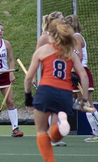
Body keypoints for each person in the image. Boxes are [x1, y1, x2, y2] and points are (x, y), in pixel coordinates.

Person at [24, 19, 89, 162]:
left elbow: (28, 78)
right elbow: (83, 75)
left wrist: (28, 97)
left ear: (50, 33)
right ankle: (61, 124)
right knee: (53, 135)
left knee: (41, 131)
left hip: (45, 90)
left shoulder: (42, 50)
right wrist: (84, 99)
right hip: (65, 93)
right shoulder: (70, 52)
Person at [33, 11, 68, 147]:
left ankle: (52, 135)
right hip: (46, 78)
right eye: (62, 18)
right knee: (49, 107)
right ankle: (46, 134)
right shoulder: (44, 38)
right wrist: (35, 76)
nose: (64, 20)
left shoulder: (61, 37)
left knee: (57, 107)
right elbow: (37, 57)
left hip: (58, 77)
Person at [64, 14, 98, 142]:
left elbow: (78, 57)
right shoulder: (74, 38)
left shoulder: (76, 38)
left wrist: (72, 71)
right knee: (81, 104)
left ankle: (96, 132)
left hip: (79, 72)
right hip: (77, 71)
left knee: (87, 104)